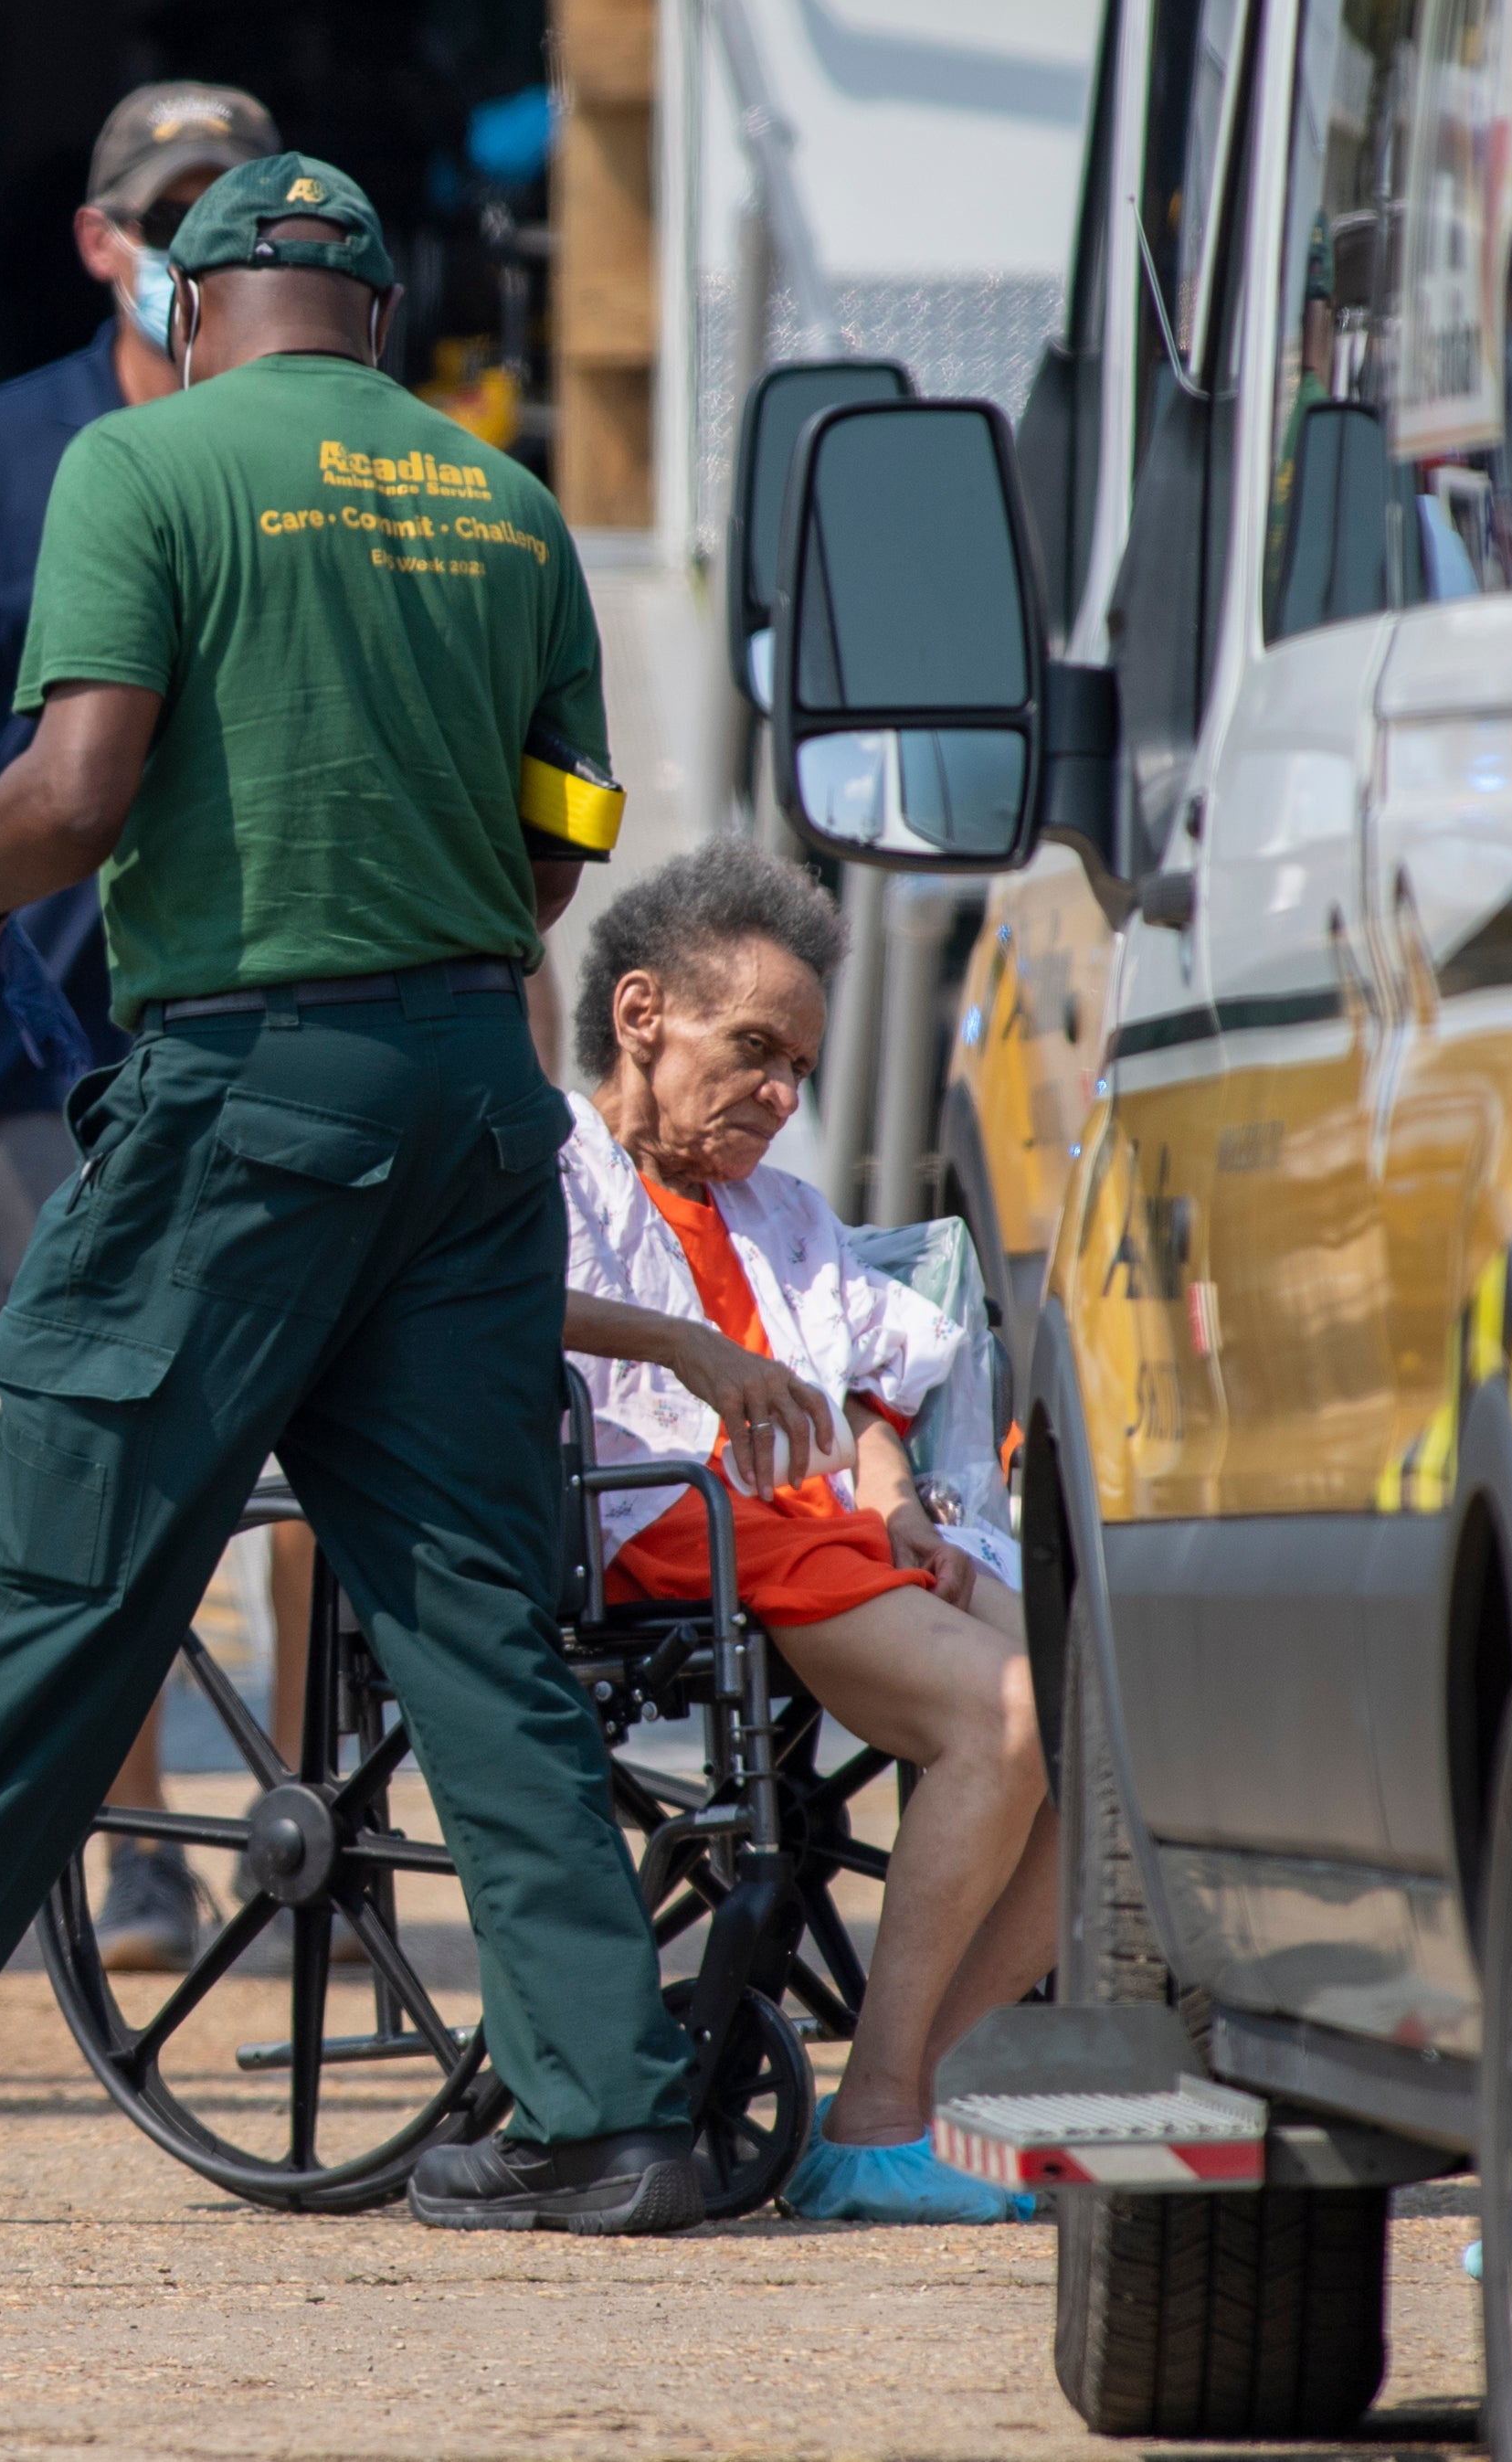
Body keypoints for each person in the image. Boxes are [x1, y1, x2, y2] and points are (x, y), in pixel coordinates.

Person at [0, 152, 803, 2234]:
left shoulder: (140, 468)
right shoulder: (506, 508)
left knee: (56, 1585)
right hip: (470, 1098)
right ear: (379, 314)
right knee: (472, 1616)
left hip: (248, 1100)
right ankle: (615, 2113)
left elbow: (76, 786)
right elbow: (555, 858)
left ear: (185, 310)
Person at [0, 80, 312, 1973]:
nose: (199, 232)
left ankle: (303, 1810)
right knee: (92, 1448)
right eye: (169, 204)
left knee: (311, 1445)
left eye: (234, 200)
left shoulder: (346, 459)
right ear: (103, 240)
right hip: (43, 1047)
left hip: (270, 1033)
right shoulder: (2, 453)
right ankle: (141, 1851)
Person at [557, 838, 1052, 2225]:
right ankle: (878, 2112)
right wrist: (682, 1345)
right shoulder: (553, 1164)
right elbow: (481, 1304)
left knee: (1103, 1725)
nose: (778, 1094)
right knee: (1010, 1716)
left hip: (819, 1515)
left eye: (797, 1070)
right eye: (754, 1049)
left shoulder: (783, 1212)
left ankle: (932, 2089)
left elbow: (862, 1390)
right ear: (641, 1013)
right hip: (676, 1517)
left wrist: (896, 1497)